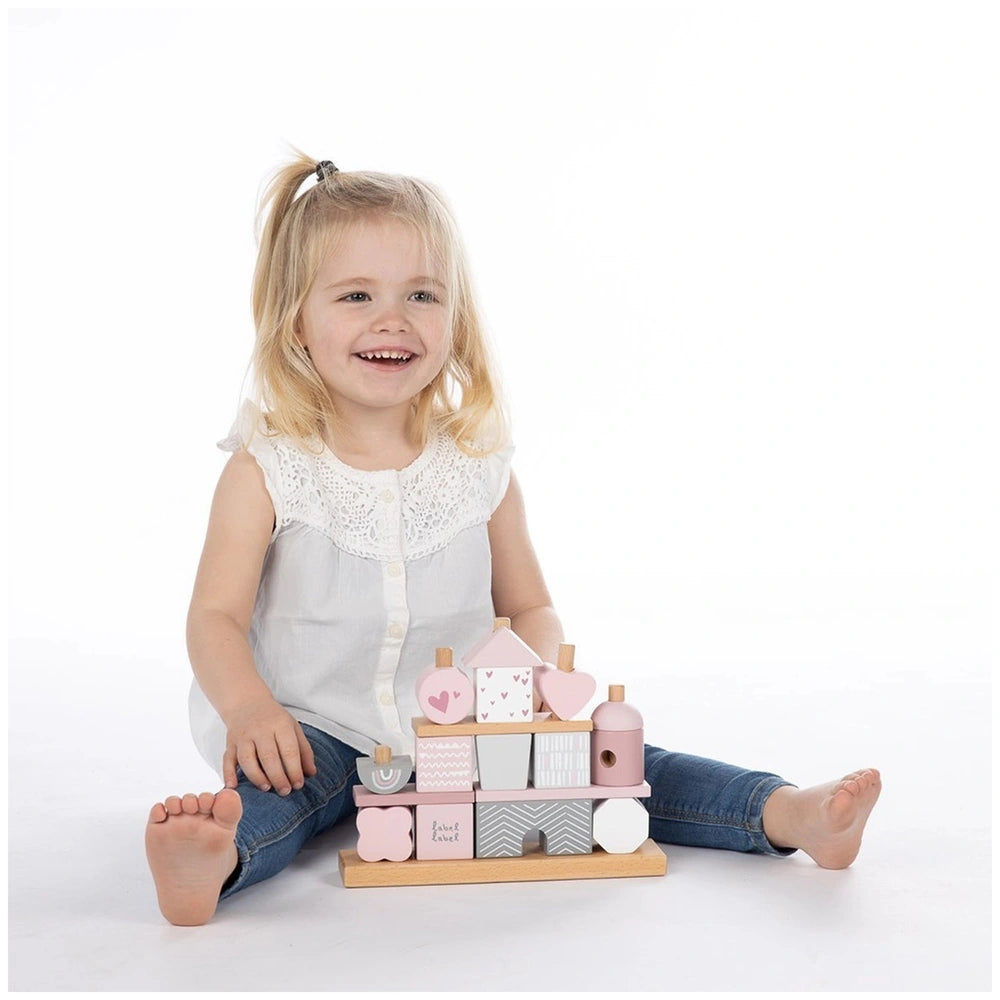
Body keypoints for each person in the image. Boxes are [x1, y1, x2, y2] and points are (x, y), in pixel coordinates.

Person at [145, 154, 881, 926]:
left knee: (620, 760)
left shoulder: (478, 468)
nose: (391, 318)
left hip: (463, 725)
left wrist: (529, 680)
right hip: (312, 728)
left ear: (454, 318)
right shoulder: (268, 469)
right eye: (356, 295)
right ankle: (214, 862)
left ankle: (786, 814)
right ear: (296, 318)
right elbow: (215, 618)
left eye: (421, 295)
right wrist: (250, 708)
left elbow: (529, 606)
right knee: (275, 797)